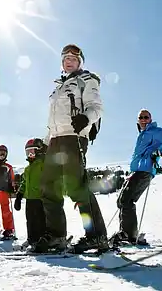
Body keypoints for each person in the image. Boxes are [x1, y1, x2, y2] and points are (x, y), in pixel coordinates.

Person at [32, 44, 108, 254]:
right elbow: (52, 122)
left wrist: (86, 118)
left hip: (74, 137)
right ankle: (57, 236)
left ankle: (96, 236)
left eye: (74, 58)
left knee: (77, 188)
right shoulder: (58, 88)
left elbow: (97, 107)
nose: (69, 60)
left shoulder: (86, 80)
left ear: (80, 61)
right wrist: (45, 142)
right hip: (56, 140)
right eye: (65, 58)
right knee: (49, 188)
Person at [109, 109, 162, 248]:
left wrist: (160, 152)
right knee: (122, 201)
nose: (143, 119)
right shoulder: (143, 134)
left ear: (150, 118)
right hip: (136, 171)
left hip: (145, 170)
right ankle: (127, 233)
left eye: (146, 117)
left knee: (127, 200)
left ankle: (128, 235)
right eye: (140, 117)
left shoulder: (155, 131)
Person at [13, 138, 48, 249]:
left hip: (40, 198)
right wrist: (19, 196)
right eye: (27, 152)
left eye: (32, 152)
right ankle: (31, 239)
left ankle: (41, 240)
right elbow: (24, 183)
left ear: (39, 151)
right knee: (30, 220)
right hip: (30, 199)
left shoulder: (43, 164)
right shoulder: (28, 169)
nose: (29, 155)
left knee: (40, 220)